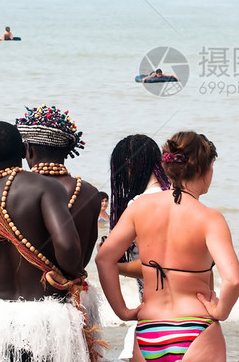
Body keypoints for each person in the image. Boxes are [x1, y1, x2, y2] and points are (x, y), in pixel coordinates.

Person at [0, 121, 93, 362]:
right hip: (49, 324)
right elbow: (68, 249)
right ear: (24, 151)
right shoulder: (47, 188)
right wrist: (70, 274)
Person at [97, 131, 239, 362]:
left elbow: (104, 259)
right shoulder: (210, 218)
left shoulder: (139, 206)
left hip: (149, 329)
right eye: (212, 166)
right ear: (200, 169)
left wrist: (123, 311)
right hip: (196, 329)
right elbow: (233, 280)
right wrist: (220, 312)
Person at [106, 134, 172, 361]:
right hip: (190, 315)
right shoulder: (181, 196)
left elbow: (158, 267)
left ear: (129, 168)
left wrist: (116, 266)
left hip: (155, 316)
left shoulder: (141, 205)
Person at [16, 104, 102, 268]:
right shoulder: (90, 192)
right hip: (76, 291)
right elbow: (83, 260)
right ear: (67, 151)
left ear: (28, 150)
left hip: (27, 292)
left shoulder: (14, 190)